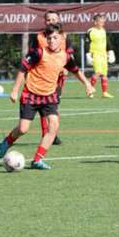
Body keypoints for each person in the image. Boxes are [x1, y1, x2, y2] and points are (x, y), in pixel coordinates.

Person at [0, 23, 95, 170]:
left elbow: (76, 70)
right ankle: (8, 140)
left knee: (54, 126)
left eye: (55, 38)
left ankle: (37, 160)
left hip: (49, 96)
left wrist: (87, 84)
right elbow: (23, 69)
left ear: (62, 38)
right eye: (49, 38)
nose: (52, 41)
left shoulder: (65, 56)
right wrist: (15, 90)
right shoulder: (38, 52)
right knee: (23, 129)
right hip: (31, 94)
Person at [29, 10, 74, 145]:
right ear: (45, 21)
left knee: (53, 107)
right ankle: (47, 135)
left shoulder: (64, 37)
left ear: (58, 20)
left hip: (58, 77)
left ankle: (51, 133)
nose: (51, 22)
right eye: (49, 20)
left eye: (54, 19)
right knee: (45, 107)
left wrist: (66, 68)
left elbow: (69, 54)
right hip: (41, 78)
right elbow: (31, 57)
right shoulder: (38, 37)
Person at [86, 13, 115, 98]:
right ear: (95, 22)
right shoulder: (90, 31)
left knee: (104, 74)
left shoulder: (103, 30)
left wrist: (110, 51)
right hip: (95, 54)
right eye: (100, 21)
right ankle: (90, 91)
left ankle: (104, 92)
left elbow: (107, 42)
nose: (102, 23)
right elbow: (87, 43)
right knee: (97, 72)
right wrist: (88, 54)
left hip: (103, 54)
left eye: (103, 21)